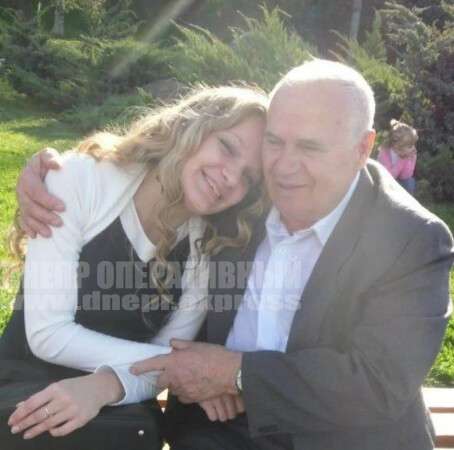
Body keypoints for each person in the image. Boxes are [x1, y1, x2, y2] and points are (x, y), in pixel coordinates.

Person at [15, 59, 454, 450]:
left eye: (310, 147)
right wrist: (43, 175)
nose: (284, 166)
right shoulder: (237, 206)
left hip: (344, 437)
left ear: (362, 148)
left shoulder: (409, 238)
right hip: (219, 430)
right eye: (275, 142)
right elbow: (151, 172)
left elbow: (378, 383)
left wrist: (235, 373)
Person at [1, 85, 268, 449]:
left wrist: (106, 385)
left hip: (117, 417)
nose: (232, 177)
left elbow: (165, 359)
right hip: (23, 400)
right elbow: (48, 335)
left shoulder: (206, 249)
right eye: (227, 147)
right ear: (192, 127)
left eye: (249, 177)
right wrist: (187, 368)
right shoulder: (80, 179)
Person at [377, 119, 418, 194]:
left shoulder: (408, 154)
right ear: (398, 147)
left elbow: (405, 176)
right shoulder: (384, 154)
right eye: (410, 146)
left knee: (410, 182)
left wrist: (409, 159)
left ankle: (404, 199)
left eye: (413, 145)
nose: (413, 148)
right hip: (385, 180)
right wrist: (401, 160)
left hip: (398, 179)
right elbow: (390, 177)